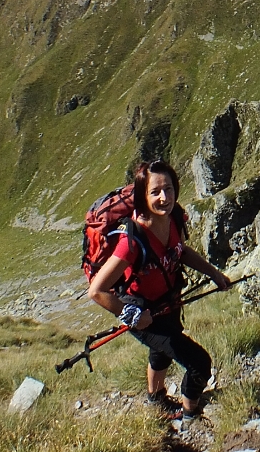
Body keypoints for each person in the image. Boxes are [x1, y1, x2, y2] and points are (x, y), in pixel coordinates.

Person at [88, 159, 232, 421]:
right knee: (199, 364)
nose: (164, 198)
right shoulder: (132, 242)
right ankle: (190, 416)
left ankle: (155, 399)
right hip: (140, 309)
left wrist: (214, 274)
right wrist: (133, 316)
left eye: (168, 189)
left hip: (166, 300)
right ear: (143, 197)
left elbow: (181, 251)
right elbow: (97, 291)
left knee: (163, 349)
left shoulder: (174, 217)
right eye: (155, 192)